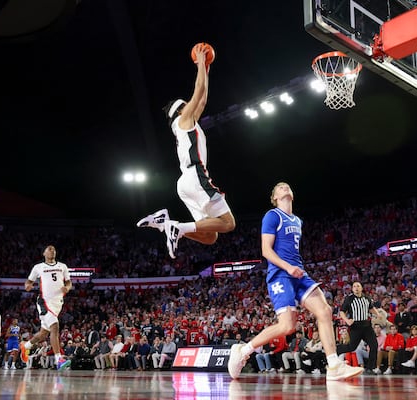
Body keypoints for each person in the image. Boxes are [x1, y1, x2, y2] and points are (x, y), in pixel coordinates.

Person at [227, 182, 363, 381]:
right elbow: (266, 250)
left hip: (299, 274)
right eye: (280, 187)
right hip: (280, 274)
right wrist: (287, 267)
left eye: (287, 186)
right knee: (287, 326)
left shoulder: (297, 220)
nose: (285, 187)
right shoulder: (272, 216)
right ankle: (243, 350)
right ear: (274, 197)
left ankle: (334, 365)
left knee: (324, 310)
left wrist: (294, 268)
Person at [136, 45, 235, 258]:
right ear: (181, 109)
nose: (193, 105)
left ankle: (170, 225)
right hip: (195, 175)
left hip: (185, 182)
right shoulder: (183, 119)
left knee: (210, 236)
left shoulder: (186, 124)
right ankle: (178, 229)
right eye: (188, 105)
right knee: (228, 224)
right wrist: (200, 63)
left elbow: (203, 98)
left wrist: (206, 68)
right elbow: (198, 91)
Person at [20, 245, 72, 370]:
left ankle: (25, 346)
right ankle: (59, 359)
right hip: (44, 302)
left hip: (57, 303)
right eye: (49, 249)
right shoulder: (38, 267)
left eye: (54, 249)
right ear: (44, 253)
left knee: (43, 333)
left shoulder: (63, 266)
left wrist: (67, 288)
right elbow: (29, 281)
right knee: (55, 326)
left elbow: (68, 282)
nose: (52, 251)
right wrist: (27, 286)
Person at [336, 281, 379, 373]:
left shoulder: (367, 298)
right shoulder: (349, 299)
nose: (356, 288)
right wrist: (347, 321)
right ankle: (336, 349)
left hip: (367, 326)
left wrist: (378, 314)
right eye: (354, 286)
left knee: (374, 345)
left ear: (361, 288)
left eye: (358, 286)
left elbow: (371, 308)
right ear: (352, 289)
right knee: (352, 347)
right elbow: (342, 311)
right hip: (355, 326)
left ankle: (371, 368)